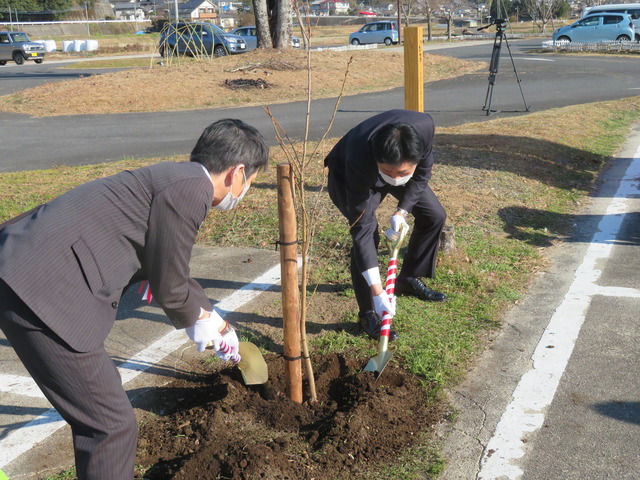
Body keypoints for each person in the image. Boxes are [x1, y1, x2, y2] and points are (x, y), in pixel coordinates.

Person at [0, 118, 269, 480]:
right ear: (237, 172)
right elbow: (171, 284)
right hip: (44, 292)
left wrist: (215, 318)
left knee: (106, 422)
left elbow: (169, 263)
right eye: (250, 181)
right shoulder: (193, 190)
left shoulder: (175, 177)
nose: (245, 190)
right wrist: (194, 321)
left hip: (20, 267)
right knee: (110, 426)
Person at [325, 109, 447, 341]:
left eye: (402, 171)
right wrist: (378, 291)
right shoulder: (358, 157)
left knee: (434, 215)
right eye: (388, 171)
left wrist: (402, 211)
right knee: (368, 237)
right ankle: (368, 313)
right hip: (350, 175)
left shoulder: (425, 127)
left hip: (392, 164)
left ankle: (408, 278)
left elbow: (421, 174)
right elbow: (361, 228)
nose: (394, 177)